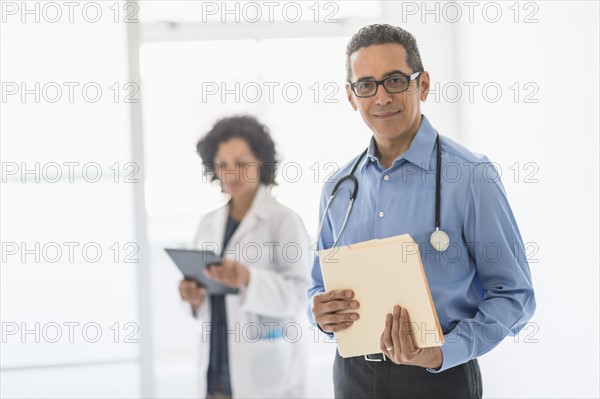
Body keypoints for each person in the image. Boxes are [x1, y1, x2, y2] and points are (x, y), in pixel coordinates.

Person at [308, 24, 536, 398]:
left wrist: (444, 351)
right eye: (365, 85)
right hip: (353, 378)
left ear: (423, 85)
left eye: (394, 80)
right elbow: (318, 283)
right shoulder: (338, 187)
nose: (381, 97)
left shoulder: (471, 176)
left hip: (439, 377)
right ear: (351, 97)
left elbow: (515, 295)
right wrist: (319, 314)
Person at [180, 115, 311, 398]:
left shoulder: (283, 221)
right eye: (222, 165)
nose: (231, 174)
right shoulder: (208, 223)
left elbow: (300, 295)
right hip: (216, 367)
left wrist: (248, 279)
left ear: (261, 162)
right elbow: (205, 296)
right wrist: (193, 297)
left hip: (265, 373)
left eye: (241, 163)